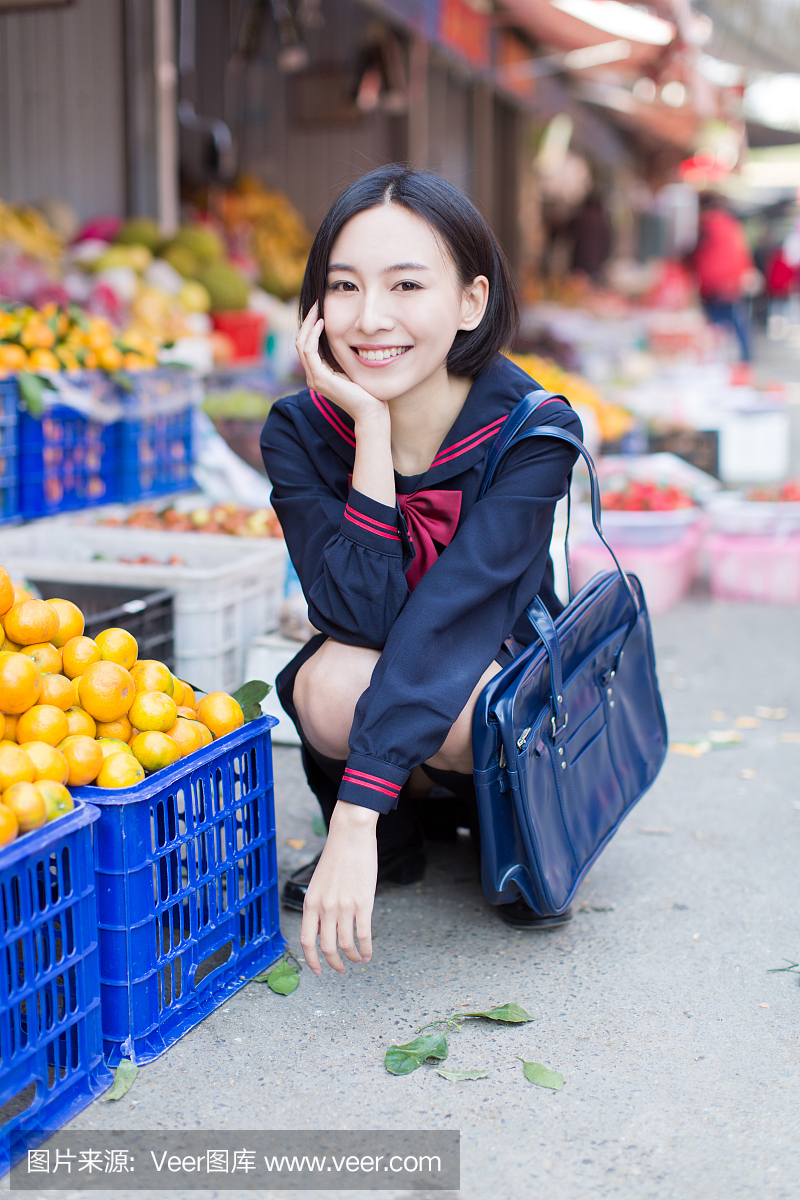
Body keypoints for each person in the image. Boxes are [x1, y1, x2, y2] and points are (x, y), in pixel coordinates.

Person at [260, 166, 583, 976]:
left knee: (471, 704)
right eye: (345, 287)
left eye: (407, 285)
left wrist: (352, 815)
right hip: (388, 675)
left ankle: (497, 824)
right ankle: (402, 838)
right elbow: (356, 617)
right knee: (329, 682)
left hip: (488, 669)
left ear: (471, 301)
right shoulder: (300, 432)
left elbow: (456, 622)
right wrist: (370, 431)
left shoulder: (532, 433)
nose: (370, 319)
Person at [691, 193, 755, 362]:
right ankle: (744, 360)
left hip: (714, 283)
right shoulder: (731, 223)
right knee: (735, 324)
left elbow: (695, 254)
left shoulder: (706, 224)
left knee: (718, 328)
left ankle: (731, 362)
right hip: (732, 282)